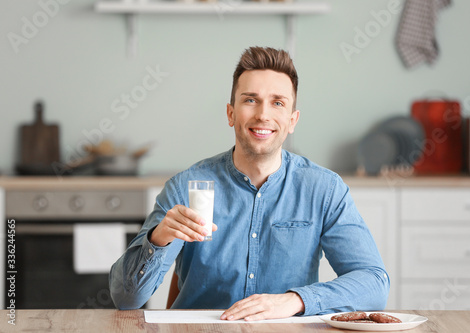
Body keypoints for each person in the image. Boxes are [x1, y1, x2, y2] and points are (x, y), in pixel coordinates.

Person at [109, 46, 390, 320]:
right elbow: (125, 299)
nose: (263, 115)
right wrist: (158, 239)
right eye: (250, 100)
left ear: (292, 120)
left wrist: (295, 300)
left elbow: (374, 283)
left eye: (277, 102)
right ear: (231, 114)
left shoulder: (324, 190)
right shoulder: (186, 187)